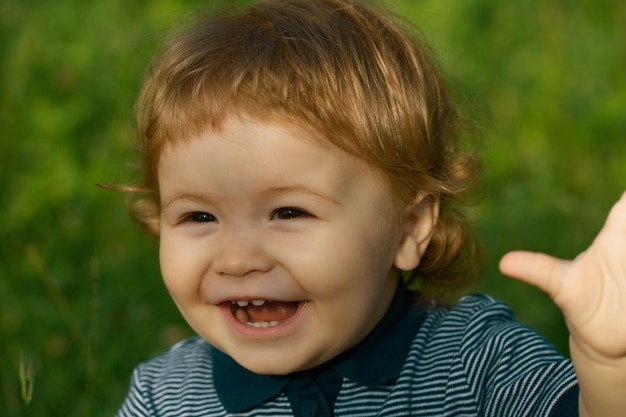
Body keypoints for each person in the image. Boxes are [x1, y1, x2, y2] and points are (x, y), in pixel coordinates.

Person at [115, 0, 626, 415]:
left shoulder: (473, 368)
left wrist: (608, 369)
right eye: (199, 216)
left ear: (407, 228)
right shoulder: (167, 397)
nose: (238, 257)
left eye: (289, 213)